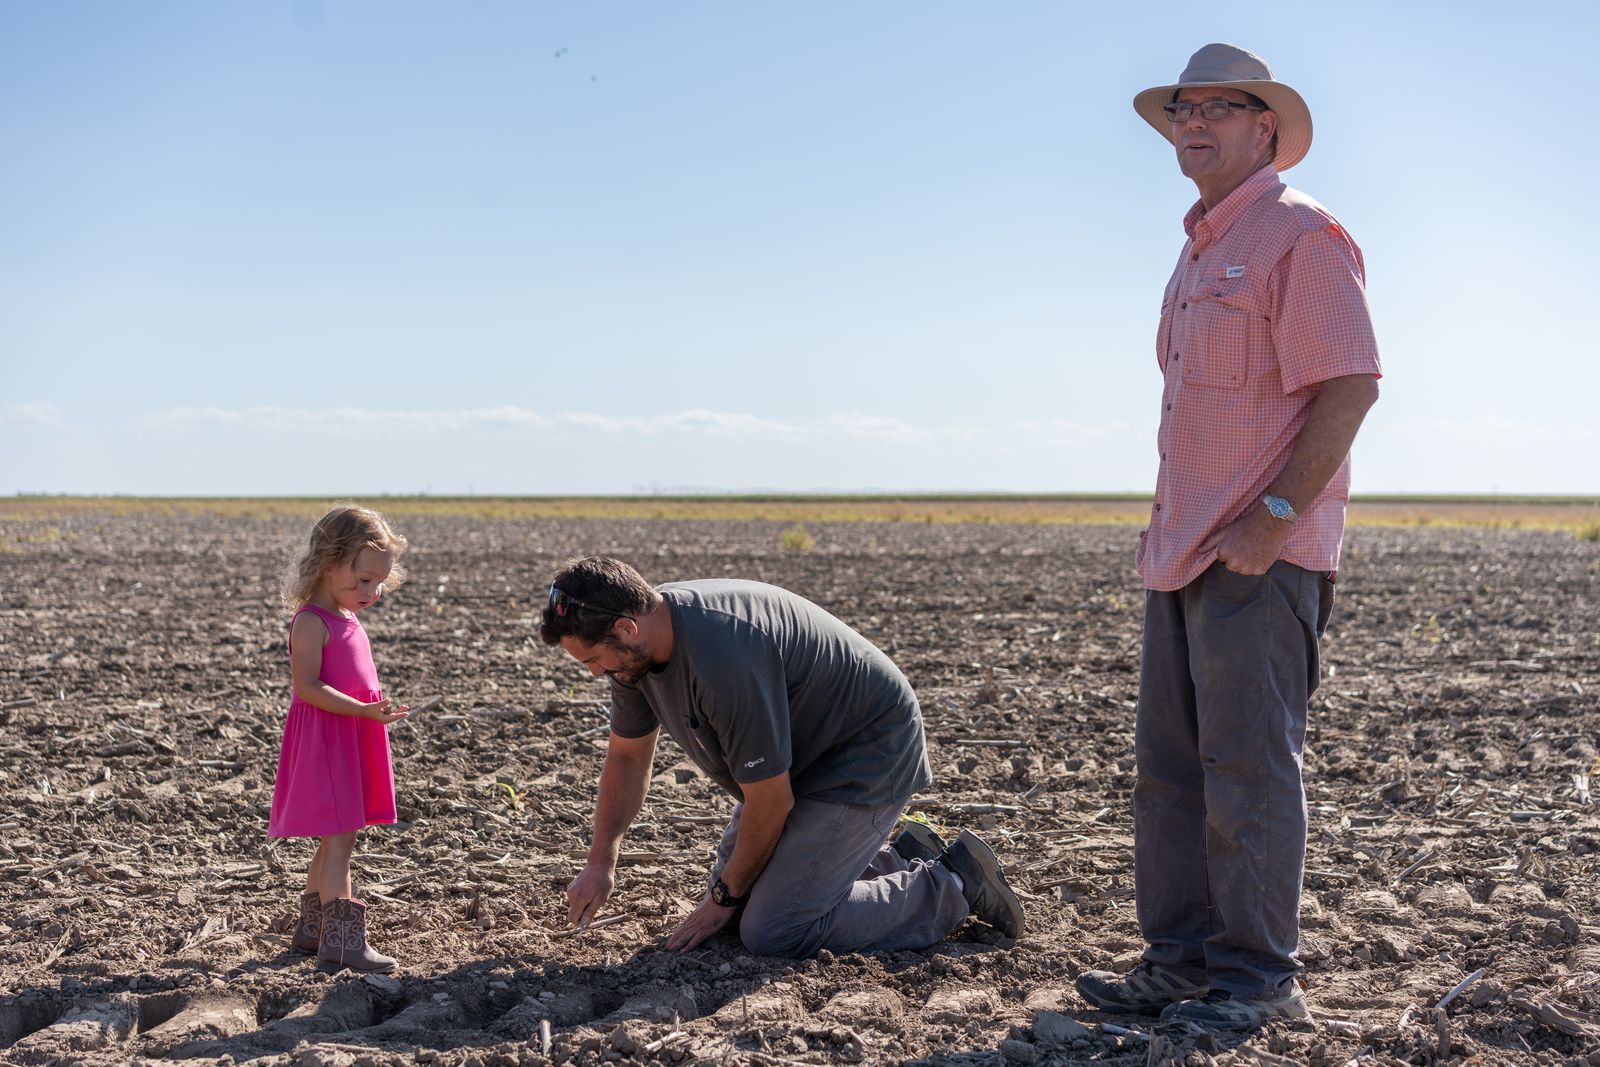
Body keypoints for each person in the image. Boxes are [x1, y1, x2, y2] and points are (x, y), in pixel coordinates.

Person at [1074, 44, 1382, 1029]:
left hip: (1259, 553)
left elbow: (1349, 383)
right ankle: (1178, 962)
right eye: (1180, 109)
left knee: (1247, 766)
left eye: (1217, 108)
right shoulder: (1199, 247)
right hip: (1181, 548)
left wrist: (1278, 514)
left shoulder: (1300, 235)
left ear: (1265, 127)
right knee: (1169, 771)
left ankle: (1256, 982)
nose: (1192, 124)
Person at [541, 556, 1024, 958]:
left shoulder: (721, 660)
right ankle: (899, 859)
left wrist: (722, 899)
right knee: (738, 903)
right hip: (800, 760)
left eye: (591, 660)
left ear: (626, 628)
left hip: (866, 753)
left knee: (774, 930)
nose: (593, 673)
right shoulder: (635, 657)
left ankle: (954, 883)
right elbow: (626, 759)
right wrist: (601, 861)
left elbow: (770, 802)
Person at [267, 504, 412, 972]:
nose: (371, 591)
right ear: (329, 564)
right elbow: (307, 687)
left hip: (349, 735)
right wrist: (363, 711)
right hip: (329, 742)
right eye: (363, 579)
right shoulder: (311, 621)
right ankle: (344, 943)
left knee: (333, 841)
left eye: (379, 583)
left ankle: (313, 931)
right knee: (341, 842)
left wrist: (373, 709)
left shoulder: (347, 617)